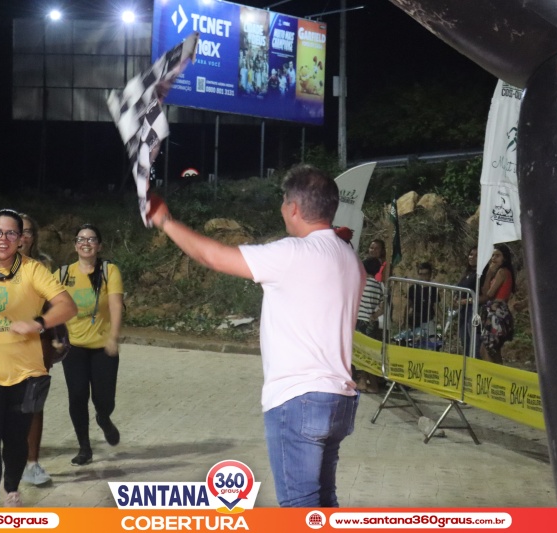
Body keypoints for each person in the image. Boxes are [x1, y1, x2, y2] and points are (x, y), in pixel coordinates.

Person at [148, 164, 365, 508]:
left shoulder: (292, 253)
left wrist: (165, 221)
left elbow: (211, 256)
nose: (281, 208)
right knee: (324, 504)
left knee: (298, 509)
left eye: (283, 201)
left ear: (294, 208)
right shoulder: (350, 259)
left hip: (298, 399)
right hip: (338, 399)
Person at [0, 209, 76, 507]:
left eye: (11, 233)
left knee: (16, 441)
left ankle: (11, 484)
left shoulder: (34, 270)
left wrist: (38, 323)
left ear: (20, 239)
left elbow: (68, 306)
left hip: (26, 372)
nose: (3, 238)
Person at [56, 223, 124, 467]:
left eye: (91, 239)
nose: (86, 243)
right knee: (77, 396)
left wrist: (113, 337)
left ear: (99, 246)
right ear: (75, 245)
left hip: (103, 347)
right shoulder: (62, 274)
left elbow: (116, 305)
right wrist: (54, 337)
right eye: (81, 239)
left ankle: (104, 419)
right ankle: (84, 447)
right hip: (73, 348)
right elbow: (49, 306)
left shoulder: (109, 271)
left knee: (104, 400)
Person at [18, 212, 54, 486]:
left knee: (33, 405)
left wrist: (52, 338)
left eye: (27, 231)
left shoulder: (43, 267)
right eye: (16, 231)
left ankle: (32, 464)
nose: (21, 237)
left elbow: (54, 307)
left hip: (35, 345)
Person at [479, 244, 515, 364]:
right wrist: (489, 275)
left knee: (486, 349)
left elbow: (489, 294)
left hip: (497, 313)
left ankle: (492, 374)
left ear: (504, 258)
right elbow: (485, 292)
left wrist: (489, 274)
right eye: (493, 255)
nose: (494, 258)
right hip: (495, 312)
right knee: (494, 350)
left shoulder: (502, 272)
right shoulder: (501, 272)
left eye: (497, 255)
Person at [356, 257, 384, 393]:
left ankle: (364, 382)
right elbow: (382, 307)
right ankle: (371, 383)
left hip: (360, 321)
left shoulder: (362, 283)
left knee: (360, 353)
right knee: (368, 353)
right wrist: (374, 315)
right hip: (371, 322)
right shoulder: (379, 286)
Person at [456, 247, 479, 357]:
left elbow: (482, 295)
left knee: (472, 343)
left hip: (472, 311)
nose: (472, 257)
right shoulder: (467, 273)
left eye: (476, 255)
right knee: (465, 341)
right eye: (471, 254)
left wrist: (467, 301)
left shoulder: (480, 275)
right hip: (463, 311)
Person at [404, 262, 439, 333]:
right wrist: (405, 321)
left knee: (431, 339)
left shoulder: (433, 289)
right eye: (421, 274)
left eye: (426, 274)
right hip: (415, 321)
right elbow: (407, 306)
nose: (423, 277)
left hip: (429, 321)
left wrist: (443, 320)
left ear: (430, 275)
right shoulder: (413, 288)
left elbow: (436, 307)